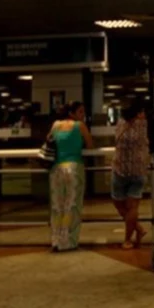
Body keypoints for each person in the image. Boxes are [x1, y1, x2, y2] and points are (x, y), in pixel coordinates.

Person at [49, 101, 94, 252]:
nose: (83, 115)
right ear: (72, 113)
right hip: (74, 167)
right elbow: (89, 144)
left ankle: (56, 239)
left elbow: (49, 140)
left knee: (57, 206)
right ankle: (68, 241)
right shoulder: (80, 126)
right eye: (80, 112)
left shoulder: (55, 125)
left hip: (56, 169)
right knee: (72, 205)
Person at [111, 100, 150, 250]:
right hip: (138, 170)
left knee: (118, 202)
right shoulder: (144, 125)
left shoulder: (121, 124)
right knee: (133, 207)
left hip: (120, 169)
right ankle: (134, 233)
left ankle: (133, 234)